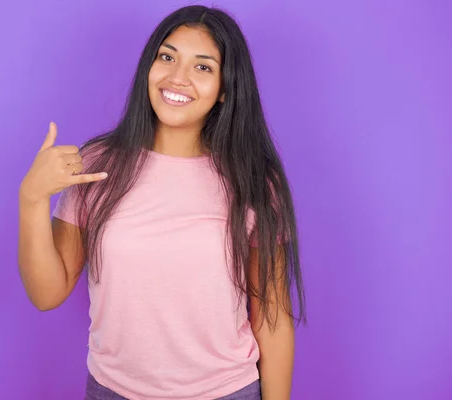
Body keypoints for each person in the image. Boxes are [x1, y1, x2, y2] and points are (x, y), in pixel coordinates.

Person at [18, 5, 306, 400]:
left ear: (225, 89)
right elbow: (46, 294)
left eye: (202, 67)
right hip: (111, 391)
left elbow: (273, 321)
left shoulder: (253, 182)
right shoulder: (99, 164)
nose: (177, 77)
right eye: (167, 57)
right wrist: (32, 198)